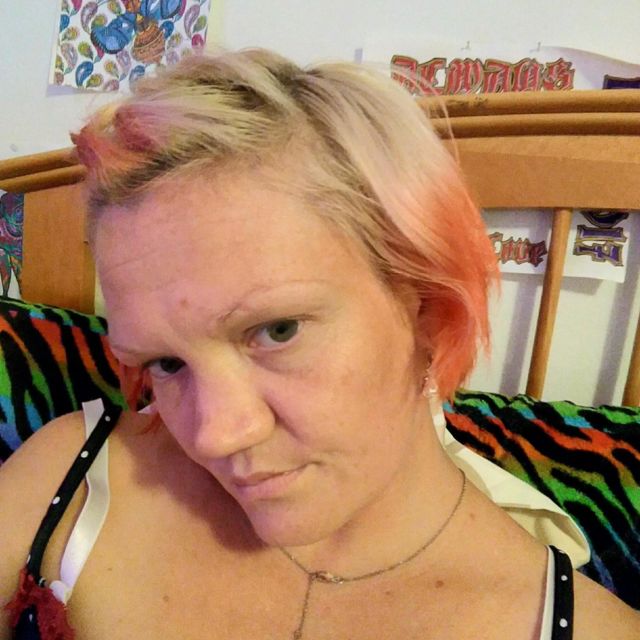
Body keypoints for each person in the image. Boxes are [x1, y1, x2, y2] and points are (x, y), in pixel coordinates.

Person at [1, 48, 639, 640]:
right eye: (166, 363)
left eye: (276, 331)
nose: (214, 436)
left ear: (425, 305)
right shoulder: (67, 478)